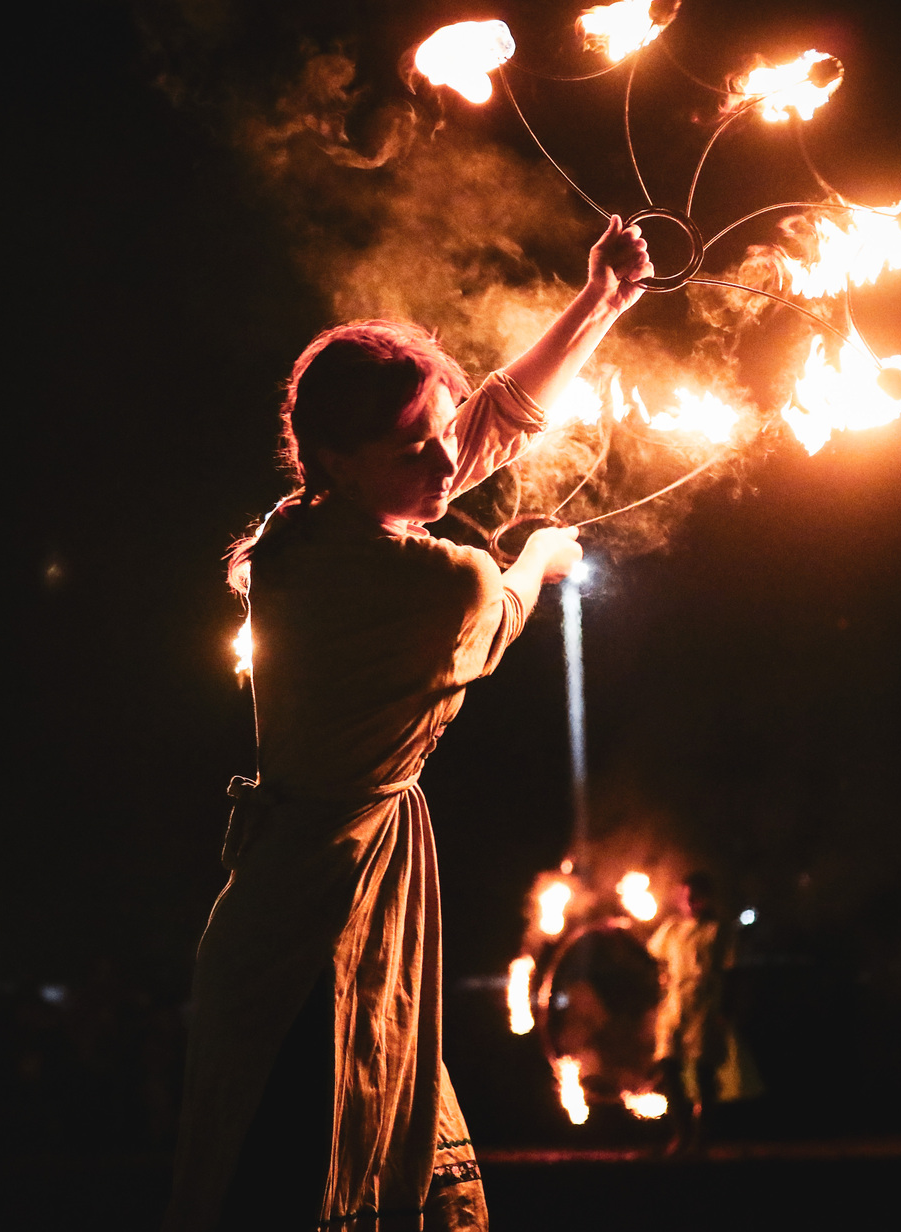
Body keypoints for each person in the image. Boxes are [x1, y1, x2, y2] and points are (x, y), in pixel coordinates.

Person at [164, 217, 652, 1232]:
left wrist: (600, 299)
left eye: (438, 431)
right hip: (315, 927)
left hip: (308, 895)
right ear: (340, 459)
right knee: (307, 1185)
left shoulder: (301, 527)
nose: (442, 460)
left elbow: (489, 425)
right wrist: (539, 558)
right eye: (412, 447)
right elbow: (500, 605)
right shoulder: (428, 582)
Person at [646, 871, 759, 1155]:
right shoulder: (671, 929)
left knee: (703, 1070)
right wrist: (620, 934)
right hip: (674, 1005)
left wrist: (726, 1010)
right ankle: (682, 1133)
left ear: (707, 898)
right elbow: (649, 957)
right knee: (667, 1064)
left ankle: (701, 1138)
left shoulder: (718, 930)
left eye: (695, 896)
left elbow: (732, 972)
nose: (689, 902)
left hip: (705, 1005)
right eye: (685, 897)